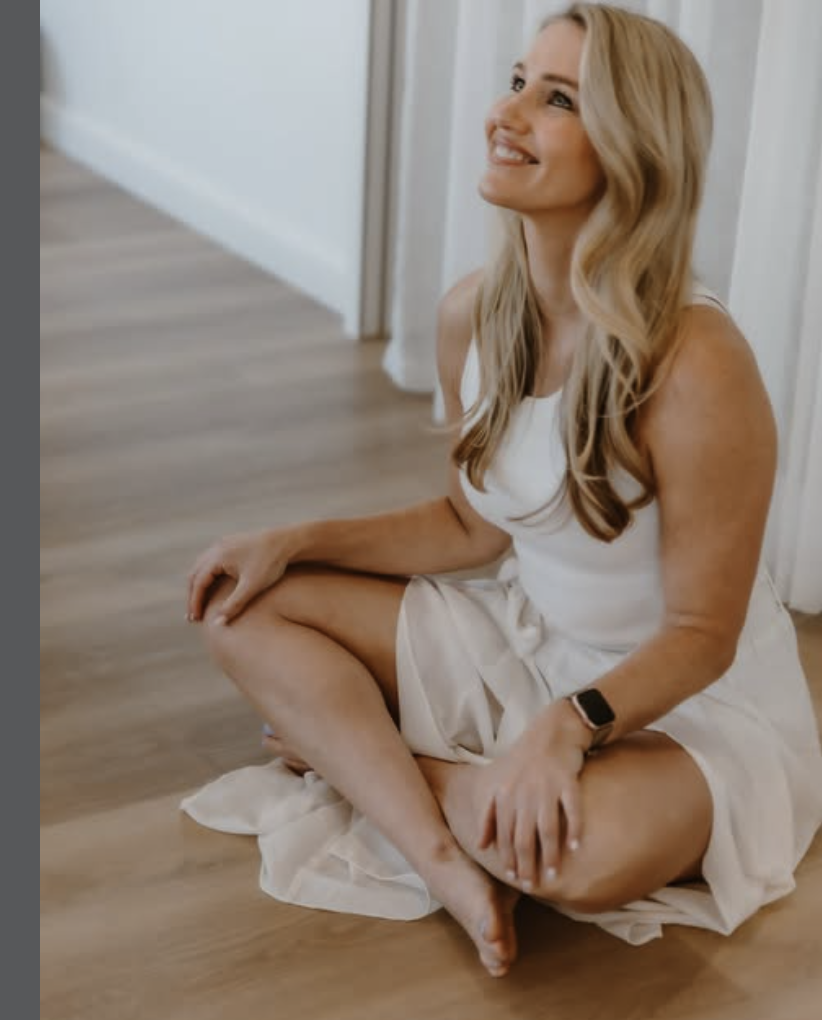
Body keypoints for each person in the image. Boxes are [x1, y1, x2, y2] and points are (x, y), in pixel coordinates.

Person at [184, 2, 822, 979]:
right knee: (240, 608)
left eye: (557, 98)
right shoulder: (472, 315)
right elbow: (467, 524)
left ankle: (366, 767)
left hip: (680, 695)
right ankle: (445, 852)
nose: (508, 112)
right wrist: (294, 539)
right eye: (517, 80)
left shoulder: (697, 361)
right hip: (528, 638)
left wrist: (565, 731)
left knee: (580, 856)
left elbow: (703, 634)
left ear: (631, 151)